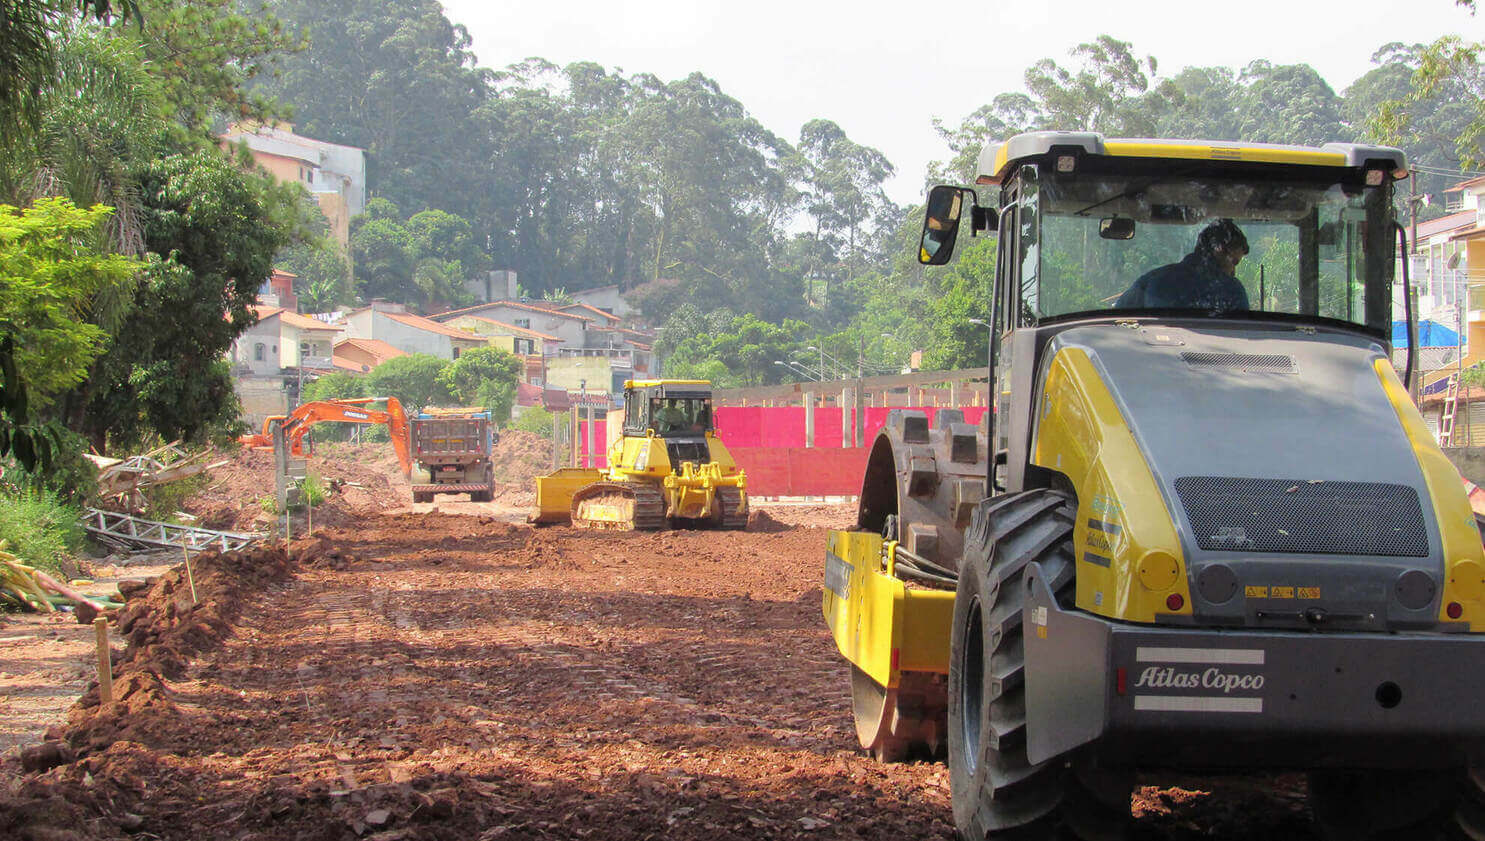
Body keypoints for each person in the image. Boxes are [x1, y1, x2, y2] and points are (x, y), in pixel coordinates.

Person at [1116, 218, 1250, 312]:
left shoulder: (1153, 280)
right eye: (1234, 262)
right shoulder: (1232, 290)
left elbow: (1119, 315)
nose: (1233, 271)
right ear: (1219, 251)